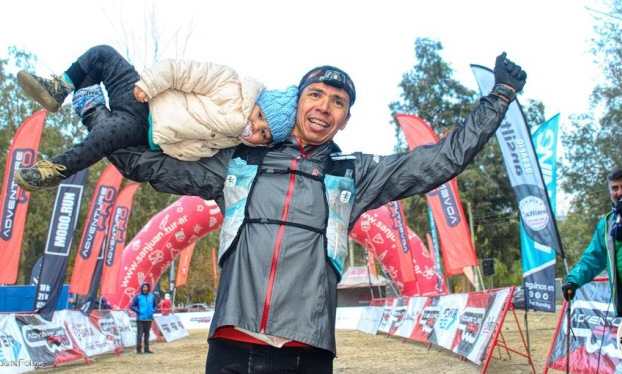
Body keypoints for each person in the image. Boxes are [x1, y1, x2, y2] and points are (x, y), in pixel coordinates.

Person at [106, 52, 526, 373]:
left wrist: (499, 97)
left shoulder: (354, 173)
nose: (325, 107)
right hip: (231, 346)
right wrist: (95, 113)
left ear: (345, 120)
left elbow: (442, 160)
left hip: (307, 354)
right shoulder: (240, 160)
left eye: (338, 102)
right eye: (316, 95)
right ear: (298, 102)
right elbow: (146, 166)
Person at [14, 44, 298, 192]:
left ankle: (58, 169)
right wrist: (149, 83)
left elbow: (196, 157)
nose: (256, 127)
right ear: (257, 102)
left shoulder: (231, 142)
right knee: (103, 55)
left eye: (264, 134)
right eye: (260, 117)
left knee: (106, 135)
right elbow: (179, 71)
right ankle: (59, 86)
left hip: (144, 130)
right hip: (146, 97)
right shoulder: (226, 81)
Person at [562, 167, 622, 316]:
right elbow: (592, 259)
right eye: (615, 188)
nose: (619, 192)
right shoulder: (607, 225)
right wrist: (573, 281)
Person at [130, 282, 157, 354]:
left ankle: (146, 349)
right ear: (142, 288)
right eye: (144, 287)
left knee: (147, 334)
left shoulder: (152, 296)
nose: (145, 288)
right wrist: (138, 311)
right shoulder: (138, 296)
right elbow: (132, 306)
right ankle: (139, 350)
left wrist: (153, 311)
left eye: (146, 287)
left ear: (148, 288)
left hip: (149, 318)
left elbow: (155, 305)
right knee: (140, 334)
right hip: (140, 318)